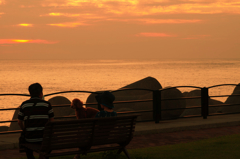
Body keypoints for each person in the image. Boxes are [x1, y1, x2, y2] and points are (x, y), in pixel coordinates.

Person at [18, 83, 54, 159]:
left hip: (30, 138)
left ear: (30, 93)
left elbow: (19, 121)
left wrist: (24, 129)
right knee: (49, 142)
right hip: (44, 139)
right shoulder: (47, 105)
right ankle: (43, 157)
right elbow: (52, 122)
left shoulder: (24, 105)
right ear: (41, 93)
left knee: (26, 142)